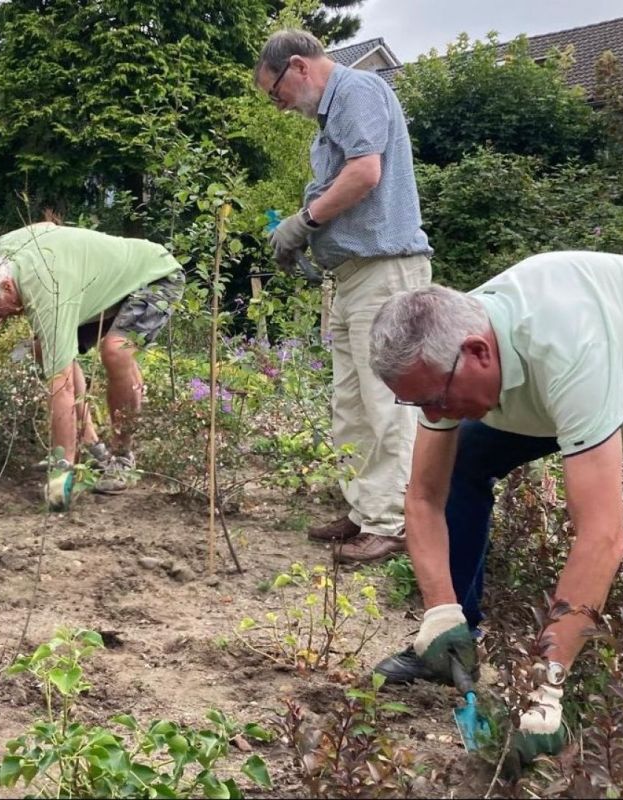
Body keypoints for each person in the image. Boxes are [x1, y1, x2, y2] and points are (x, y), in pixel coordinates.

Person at [364, 251, 623, 767]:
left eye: (437, 400)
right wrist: (439, 610)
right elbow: (424, 498)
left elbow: (601, 536)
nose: (433, 416)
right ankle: (455, 642)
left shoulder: (566, 343)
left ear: (478, 353)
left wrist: (544, 687)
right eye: (418, 404)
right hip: (590, 380)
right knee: (461, 460)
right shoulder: (446, 361)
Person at [255, 29, 432, 562]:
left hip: (385, 272)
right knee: (351, 402)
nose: (279, 105)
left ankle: (392, 521)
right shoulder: (327, 123)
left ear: (299, 66)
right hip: (356, 275)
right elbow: (339, 189)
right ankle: (364, 510)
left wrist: (303, 221)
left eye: (275, 92)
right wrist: (309, 237)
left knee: (386, 401)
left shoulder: (357, 90)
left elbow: (364, 173)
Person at [0, 222, 185, 507]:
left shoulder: (48, 291)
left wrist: (60, 472)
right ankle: (93, 448)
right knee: (43, 350)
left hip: (153, 275)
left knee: (116, 352)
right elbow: (47, 226)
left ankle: (123, 457)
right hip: (92, 287)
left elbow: (60, 388)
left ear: (7, 285)